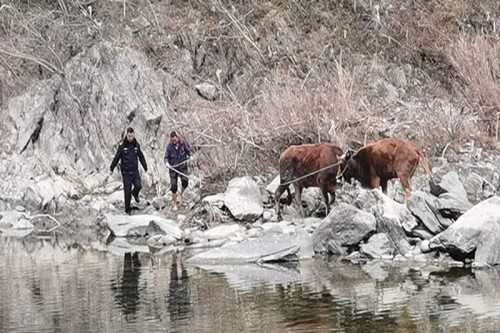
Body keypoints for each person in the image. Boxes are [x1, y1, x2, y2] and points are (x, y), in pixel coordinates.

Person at [110, 127, 148, 215]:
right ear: (126, 135)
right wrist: (111, 168)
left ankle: (135, 194)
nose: (130, 138)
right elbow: (116, 158)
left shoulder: (136, 145)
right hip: (126, 173)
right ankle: (127, 210)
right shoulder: (122, 146)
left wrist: (145, 167)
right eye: (129, 136)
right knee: (127, 192)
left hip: (135, 171)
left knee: (138, 186)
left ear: (134, 135)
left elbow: (141, 156)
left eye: (132, 136)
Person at [164, 131, 192, 211]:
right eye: (172, 140)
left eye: (175, 140)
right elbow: (166, 157)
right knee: (173, 186)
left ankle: (180, 194)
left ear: (177, 137)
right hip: (173, 168)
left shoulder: (183, 143)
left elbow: (188, 151)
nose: (174, 141)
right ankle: (174, 202)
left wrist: (191, 156)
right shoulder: (169, 147)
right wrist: (167, 163)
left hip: (182, 167)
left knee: (185, 181)